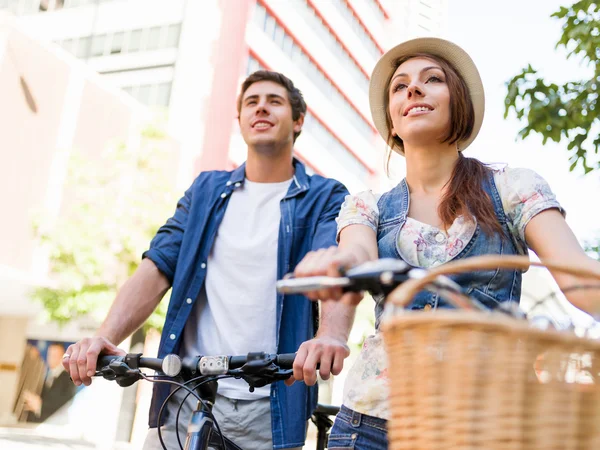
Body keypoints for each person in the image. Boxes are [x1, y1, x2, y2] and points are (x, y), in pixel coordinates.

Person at [292, 37, 600, 449]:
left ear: (459, 102)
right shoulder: (368, 208)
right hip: (371, 423)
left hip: (485, 423)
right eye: (399, 87)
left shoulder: (512, 189)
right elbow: (357, 256)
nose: (413, 90)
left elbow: (579, 278)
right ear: (392, 119)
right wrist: (333, 312)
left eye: (431, 79)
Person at [62, 70, 355, 450]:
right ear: (240, 121)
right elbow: (158, 265)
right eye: (251, 102)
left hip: (272, 402)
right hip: (185, 393)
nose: (261, 107)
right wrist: (105, 337)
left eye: (274, 100)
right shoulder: (205, 190)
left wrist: (329, 335)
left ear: (298, 121)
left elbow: (331, 268)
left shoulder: (325, 196)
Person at [23, 343, 77, 423]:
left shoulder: (69, 378)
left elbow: (65, 404)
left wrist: (40, 406)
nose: (51, 358)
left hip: (55, 425)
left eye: (55, 355)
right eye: (50, 355)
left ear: (62, 357)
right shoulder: (46, 375)